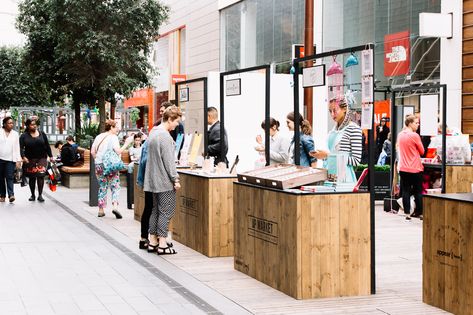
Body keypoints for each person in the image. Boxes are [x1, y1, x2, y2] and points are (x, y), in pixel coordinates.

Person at [144, 106, 181, 255]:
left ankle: (153, 241)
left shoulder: (153, 133)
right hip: (164, 181)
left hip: (152, 180)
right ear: (170, 119)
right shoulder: (165, 136)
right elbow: (169, 161)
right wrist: (175, 179)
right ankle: (163, 243)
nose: (177, 125)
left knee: (155, 211)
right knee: (166, 211)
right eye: (176, 121)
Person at [310, 98, 362, 183]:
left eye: (335, 110)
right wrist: (322, 156)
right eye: (330, 111)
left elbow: (356, 161)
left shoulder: (354, 129)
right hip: (330, 176)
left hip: (345, 179)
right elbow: (332, 154)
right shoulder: (333, 130)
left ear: (344, 109)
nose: (332, 114)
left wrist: (328, 155)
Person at [91, 119, 133, 218]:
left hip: (99, 165)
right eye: (116, 127)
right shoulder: (113, 137)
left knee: (102, 186)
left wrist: (98, 160)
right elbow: (118, 151)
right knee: (115, 186)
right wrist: (127, 143)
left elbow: (93, 152)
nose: (117, 129)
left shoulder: (98, 137)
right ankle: (115, 207)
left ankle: (101, 210)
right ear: (111, 127)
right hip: (110, 166)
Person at [19, 119, 54, 202]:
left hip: (42, 158)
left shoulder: (42, 134)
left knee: (41, 176)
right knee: (32, 177)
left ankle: (40, 195)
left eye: (35, 124)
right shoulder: (24, 136)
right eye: (32, 124)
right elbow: (20, 148)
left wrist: (51, 156)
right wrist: (23, 157)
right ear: (27, 126)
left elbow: (47, 146)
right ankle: (33, 195)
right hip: (30, 159)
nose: (34, 126)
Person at [397, 115, 424, 220]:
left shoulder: (400, 135)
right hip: (415, 168)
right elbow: (422, 151)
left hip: (403, 168)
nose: (418, 125)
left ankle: (407, 213)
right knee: (418, 191)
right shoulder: (415, 135)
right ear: (410, 123)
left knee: (406, 191)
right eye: (416, 123)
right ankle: (420, 213)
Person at [0, 117, 22, 203]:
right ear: (4, 124)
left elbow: (17, 147)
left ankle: (11, 195)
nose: (11, 125)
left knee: (9, 177)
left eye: (12, 123)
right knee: (1, 178)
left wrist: (18, 160)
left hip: (10, 159)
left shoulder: (15, 134)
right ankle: (2, 195)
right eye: (9, 123)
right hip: (0, 159)